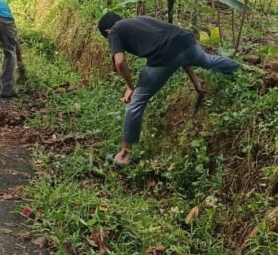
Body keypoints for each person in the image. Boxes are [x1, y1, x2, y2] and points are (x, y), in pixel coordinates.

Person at [97, 11, 240, 166]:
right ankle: (243, 70)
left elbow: (119, 62)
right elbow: (173, 42)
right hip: (186, 42)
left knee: (137, 101)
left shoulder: (114, 30)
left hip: (164, 57)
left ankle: (124, 156)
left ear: (107, 31)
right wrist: (194, 78)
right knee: (209, 60)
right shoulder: (142, 20)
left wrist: (130, 87)